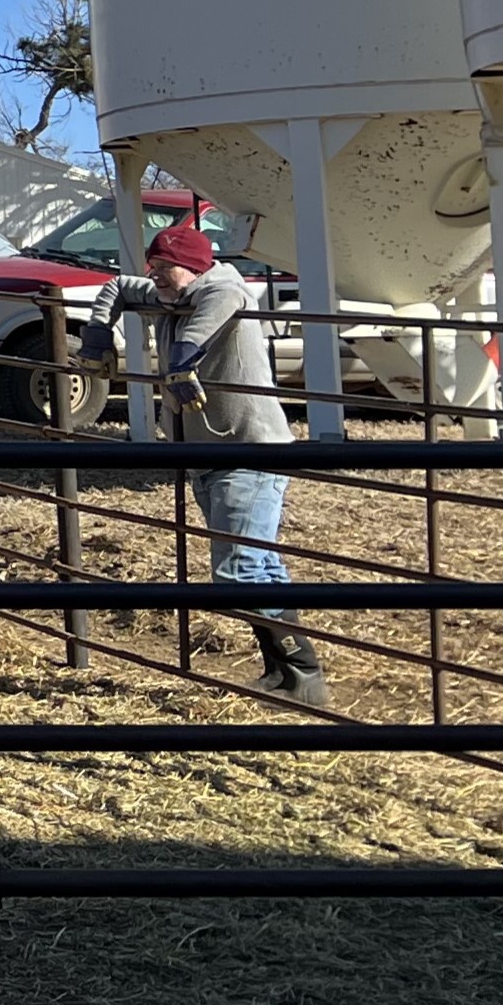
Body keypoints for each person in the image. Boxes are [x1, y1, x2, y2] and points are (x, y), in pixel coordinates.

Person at [79, 222, 323, 705]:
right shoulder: (174, 292)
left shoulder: (223, 292)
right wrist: (95, 331)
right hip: (209, 452)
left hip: (247, 449)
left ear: (191, 267)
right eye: (153, 267)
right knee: (258, 564)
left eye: (164, 268)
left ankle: (302, 664)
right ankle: (285, 673)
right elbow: (117, 285)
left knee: (237, 574)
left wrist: (179, 363)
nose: (156, 277)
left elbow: (194, 338)